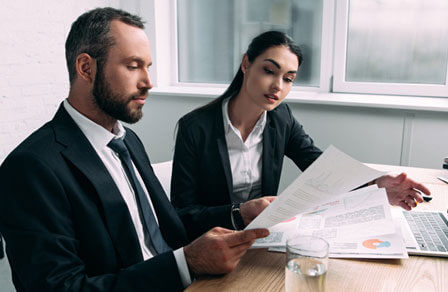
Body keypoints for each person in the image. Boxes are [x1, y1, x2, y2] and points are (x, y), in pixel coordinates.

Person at [0, 8, 270, 291]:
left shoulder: (127, 140)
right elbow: (61, 288)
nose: (147, 82)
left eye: (148, 67)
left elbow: (164, 225)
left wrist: (239, 212)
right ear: (85, 68)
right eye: (133, 66)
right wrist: (186, 264)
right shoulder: (30, 168)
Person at [171, 31, 431, 240]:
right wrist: (240, 213)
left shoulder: (281, 118)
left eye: (288, 78)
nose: (278, 86)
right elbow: (182, 215)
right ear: (246, 63)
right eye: (269, 71)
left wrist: (375, 184)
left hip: (260, 241)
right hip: (213, 245)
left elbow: (321, 166)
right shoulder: (195, 128)